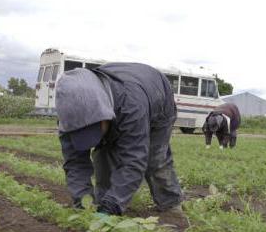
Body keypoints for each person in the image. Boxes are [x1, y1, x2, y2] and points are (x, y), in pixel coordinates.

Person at [56, 64, 183, 216]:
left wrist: (112, 206)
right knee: (103, 157)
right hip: (120, 102)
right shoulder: (68, 118)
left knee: (154, 159)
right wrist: (83, 202)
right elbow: (75, 163)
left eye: (94, 130)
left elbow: (134, 161)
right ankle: (103, 202)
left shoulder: (131, 105)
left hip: (157, 98)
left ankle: (171, 205)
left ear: (104, 114)